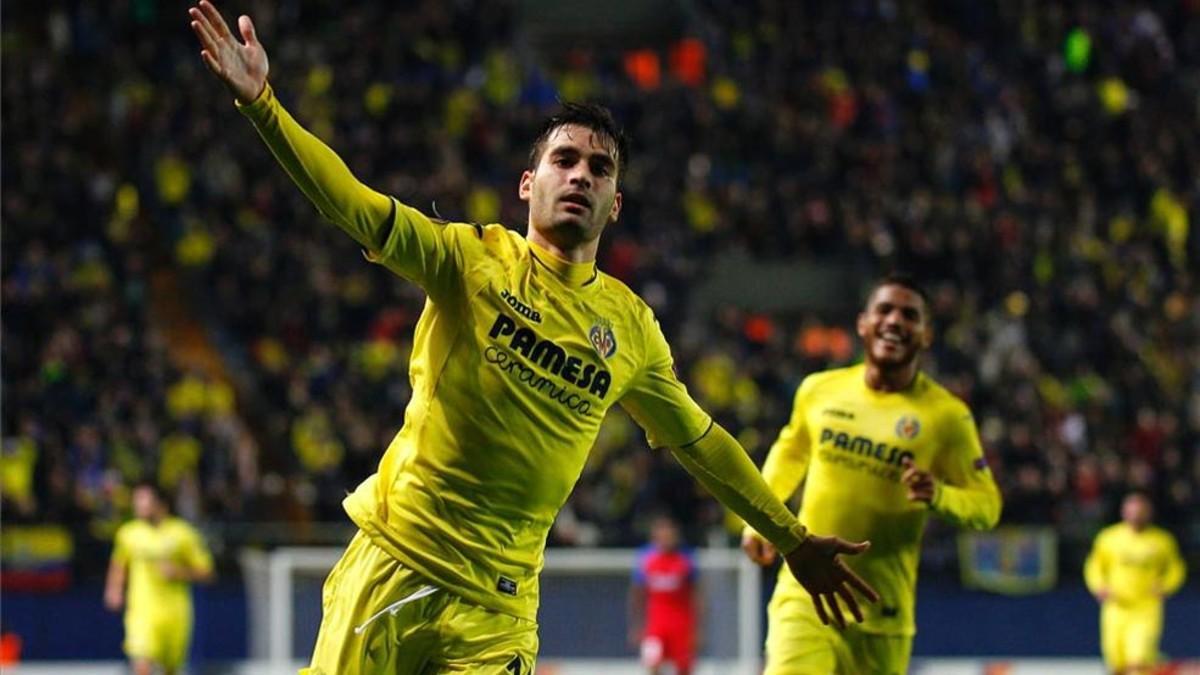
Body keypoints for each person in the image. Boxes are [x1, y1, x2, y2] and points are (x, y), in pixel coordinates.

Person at [186, 3, 878, 673]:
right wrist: (264, 105)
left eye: (599, 168)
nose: (581, 174)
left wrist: (790, 536)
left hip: (499, 608)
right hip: (396, 564)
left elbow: (701, 442)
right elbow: (354, 206)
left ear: (616, 203)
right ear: (527, 182)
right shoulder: (468, 259)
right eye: (565, 159)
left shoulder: (631, 328)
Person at [742, 274, 1003, 675]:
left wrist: (939, 495)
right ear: (863, 324)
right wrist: (760, 522)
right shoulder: (820, 390)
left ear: (927, 335)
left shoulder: (947, 417)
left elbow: (987, 507)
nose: (895, 321)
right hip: (807, 591)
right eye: (885, 310)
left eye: (910, 315)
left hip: (883, 612)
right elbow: (790, 452)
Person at [104, 481, 214, 675]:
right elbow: (119, 563)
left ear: (160, 503)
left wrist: (178, 572)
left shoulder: (183, 533)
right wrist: (114, 589)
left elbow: (207, 572)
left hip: (176, 614)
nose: (137, 504)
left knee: (170, 670)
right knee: (142, 665)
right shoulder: (129, 533)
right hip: (142, 611)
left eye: (143, 499)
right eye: (136, 499)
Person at [1085, 492, 1186, 674]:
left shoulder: (1162, 541)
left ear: (1149, 514)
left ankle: (1156, 663)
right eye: (1132, 512)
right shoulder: (1109, 538)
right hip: (1115, 607)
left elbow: (1175, 568)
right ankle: (1161, 664)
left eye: (1140, 512)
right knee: (1116, 661)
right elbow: (1094, 566)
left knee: (1139, 659)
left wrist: (1166, 586)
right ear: (1124, 512)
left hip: (1146, 607)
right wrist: (1099, 586)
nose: (1136, 516)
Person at [628, 515, 702, 675]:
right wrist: (636, 625)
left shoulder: (685, 559)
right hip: (656, 626)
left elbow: (696, 595)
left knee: (684, 668)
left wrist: (698, 629)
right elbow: (637, 595)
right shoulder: (646, 559)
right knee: (652, 663)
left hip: (681, 625)